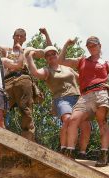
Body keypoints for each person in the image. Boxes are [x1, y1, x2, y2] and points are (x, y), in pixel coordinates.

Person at [58, 36, 109, 166]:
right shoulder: (81, 60)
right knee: (73, 119)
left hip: (101, 93)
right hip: (85, 96)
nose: (91, 47)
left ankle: (104, 155)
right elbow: (61, 60)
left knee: (102, 122)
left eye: (94, 45)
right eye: (89, 45)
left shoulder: (105, 63)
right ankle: (70, 153)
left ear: (100, 46)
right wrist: (67, 43)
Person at [25, 28, 91, 158]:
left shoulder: (68, 68)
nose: (51, 56)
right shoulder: (47, 70)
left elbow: (82, 80)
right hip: (62, 99)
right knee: (68, 120)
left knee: (86, 125)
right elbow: (36, 73)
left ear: (57, 55)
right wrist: (29, 57)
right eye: (48, 55)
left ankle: (82, 153)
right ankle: (64, 149)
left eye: (53, 54)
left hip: (78, 98)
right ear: (46, 59)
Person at [0, 22, 42, 141]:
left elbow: (49, 52)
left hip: (23, 78)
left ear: (25, 38)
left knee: (25, 109)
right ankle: (0, 137)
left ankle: (28, 138)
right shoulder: (5, 50)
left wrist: (46, 34)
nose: (18, 38)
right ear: (13, 37)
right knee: (0, 110)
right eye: (16, 35)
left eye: (21, 36)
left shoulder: (28, 50)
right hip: (7, 81)